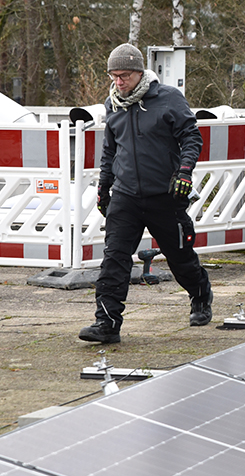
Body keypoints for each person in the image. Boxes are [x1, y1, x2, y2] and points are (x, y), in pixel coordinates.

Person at [78, 43, 213, 344]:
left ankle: (200, 294)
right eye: (113, 76)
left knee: (179, 256)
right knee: (114, 258)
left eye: (124, 75)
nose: (119, 82)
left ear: (139, 73)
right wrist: (103, 187)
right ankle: (107, 323)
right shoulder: (113, 104)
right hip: (126, 195)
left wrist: (184, 172)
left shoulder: (167, 99)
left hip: (163, 194)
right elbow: (110, 150)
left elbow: (192, 136)